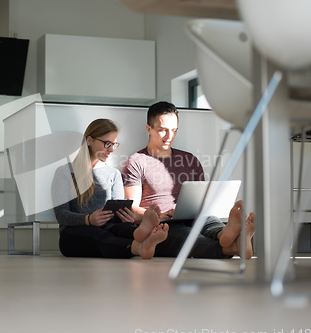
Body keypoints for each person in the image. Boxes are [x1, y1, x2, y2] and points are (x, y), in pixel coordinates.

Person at [121, 101, 256, 259]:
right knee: (187, 237)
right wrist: (158, 215)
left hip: (196, 216)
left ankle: (225, 233)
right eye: (163, 130)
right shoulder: (136, 162)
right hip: (164, 223)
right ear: (148, 129)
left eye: (174, 130)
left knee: (210, 220)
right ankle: (233, 246)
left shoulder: (189, 159)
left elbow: (203, 198)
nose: (169, 136)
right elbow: (131, 209)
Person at [51, 118, 169, 259]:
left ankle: (138, 233)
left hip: (108, 226)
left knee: (122, 229)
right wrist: (88, 219)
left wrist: (127, 218)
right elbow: (61, 215)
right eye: (107, 144)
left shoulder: (113, 174)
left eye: (114, 145)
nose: (111, 150)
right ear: (89, 140)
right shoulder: (64, 172)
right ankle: (139, 246)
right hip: (72, 234)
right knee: (100, 235)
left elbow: (116, 212)